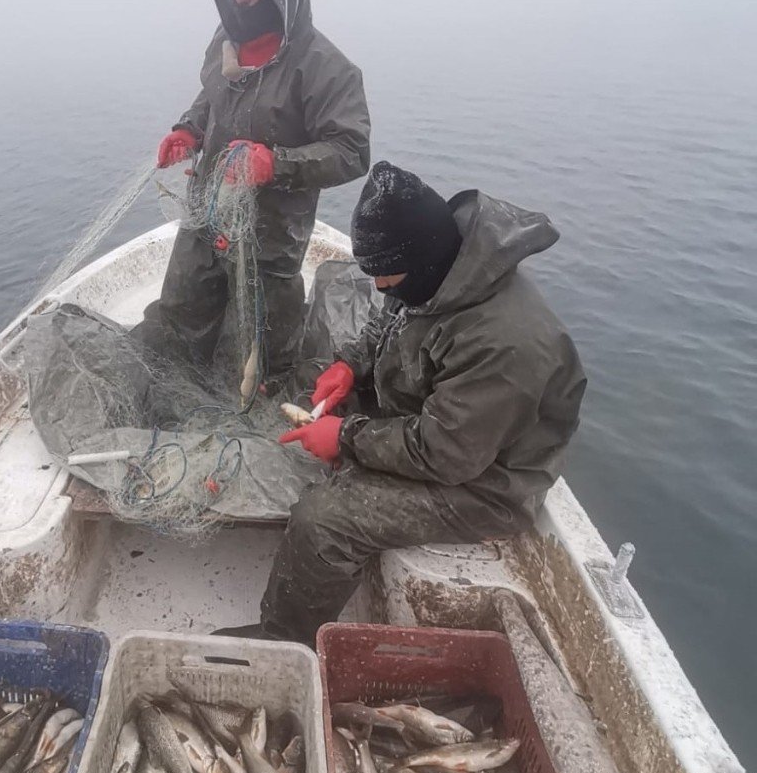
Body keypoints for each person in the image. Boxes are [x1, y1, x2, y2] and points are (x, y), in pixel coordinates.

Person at [218, 161, 587, 645]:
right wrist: (350, 365)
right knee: (312, 388)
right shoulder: (435, 275)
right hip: (431, 420)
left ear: (425, 262)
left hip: (486, 484)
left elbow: (447, 453)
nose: (380, 288)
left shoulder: (506, 343)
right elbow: (390, 324)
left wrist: (345, 439)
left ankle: (284, 639)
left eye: (388, 279)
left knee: (324, 518)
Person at [135, 0, 371, 384]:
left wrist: (275, 164)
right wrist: (189, 130)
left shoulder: (325, 66)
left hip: (271, 233)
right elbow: (212, 97)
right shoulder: (225, 40)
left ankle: (262, 393)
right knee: (180, 312)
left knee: (262, 349)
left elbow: (352, 150)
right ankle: (173, 383)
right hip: (208, 212)